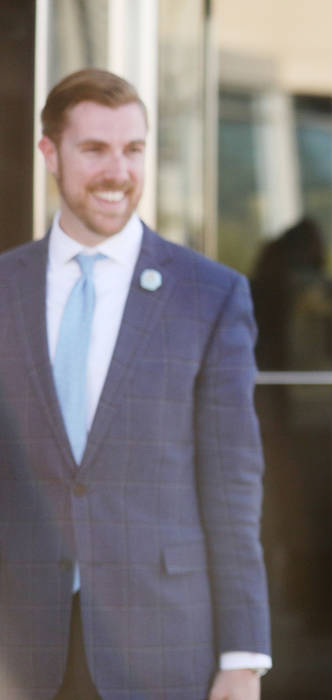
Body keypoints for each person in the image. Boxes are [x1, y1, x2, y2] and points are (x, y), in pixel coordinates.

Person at [0, 68, 270, 700]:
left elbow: (233, 484)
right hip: (18, 646)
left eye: (133, 149)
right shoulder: (4, 288)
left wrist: (243, 655)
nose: (118, 172)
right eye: (94, 149)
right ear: (50, 153)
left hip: (165, 644)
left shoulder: (211, 294)